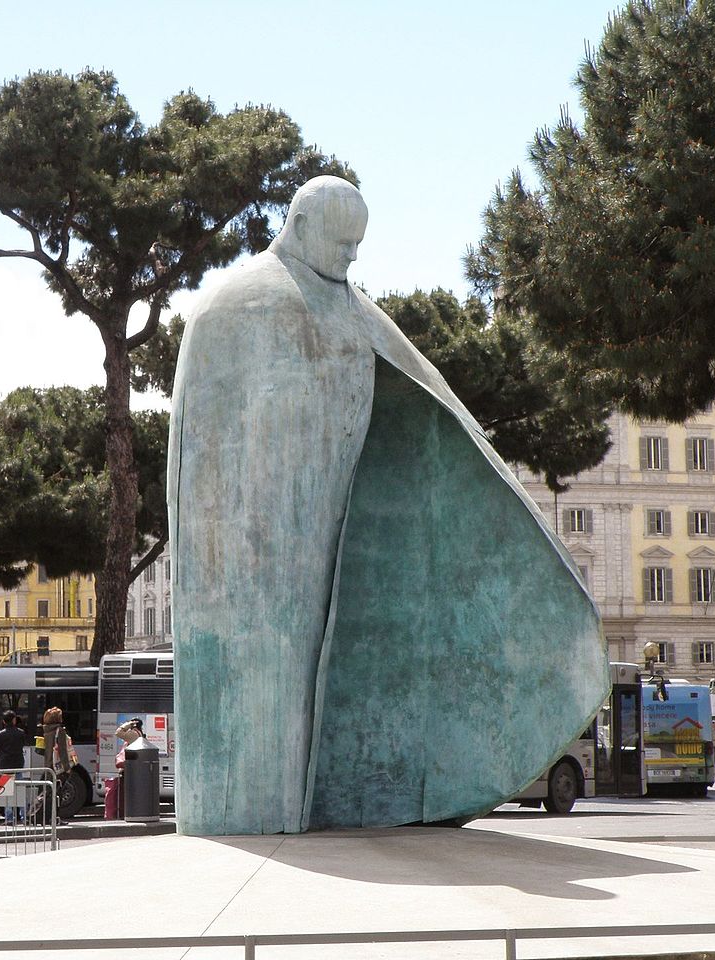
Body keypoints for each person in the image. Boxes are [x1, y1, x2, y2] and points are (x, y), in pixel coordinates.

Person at [168, 176, 608, 836]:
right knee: (266, 709)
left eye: (358, 246)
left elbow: (435, 401)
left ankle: (346, 796)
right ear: (300, 224)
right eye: (342, 243)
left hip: (335, 522)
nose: (350, 258)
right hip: (254, 560)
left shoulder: (351, 305)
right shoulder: (237, 305)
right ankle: (263, 812)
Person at [0, 709, 29, 825]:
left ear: (3, 721)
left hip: (4, 766)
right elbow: (23, 744)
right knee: (20, 791)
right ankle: (23, 817)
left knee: (7, 792)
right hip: (18, 765)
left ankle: (9, 818)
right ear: (14, 720)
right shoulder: (21, 733)